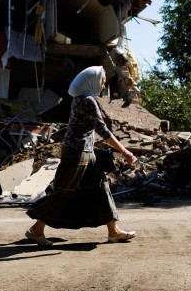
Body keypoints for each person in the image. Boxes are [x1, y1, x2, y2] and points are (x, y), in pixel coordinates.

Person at [24, 65, 137, 246]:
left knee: (101, 186)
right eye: (102, 82)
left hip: (85, 152)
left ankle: (113, 231)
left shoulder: (83, 99)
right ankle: (36, 229)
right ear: (91, 82)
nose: (102, 86)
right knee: (63, 192)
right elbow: (103, 131)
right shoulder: (86, 101)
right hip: (76, 153)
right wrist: (124, 151)